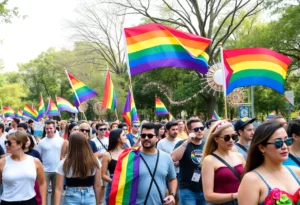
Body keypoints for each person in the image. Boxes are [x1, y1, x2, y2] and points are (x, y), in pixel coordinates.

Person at [110, 122, 177, 205]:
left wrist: (172, 195)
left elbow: (172, 179)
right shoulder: (129, 157)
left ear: (157, 137)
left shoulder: (166, 157)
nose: (146, 138)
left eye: (150, 136)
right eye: (143, 135)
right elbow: (120, 184)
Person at [238, 122, 300, 205]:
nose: (285, 146)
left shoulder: (297, 171)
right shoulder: (251, 180)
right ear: (262, 147)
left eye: (287, 141)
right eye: (278, 143)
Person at [201, 120, 245, 205]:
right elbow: (208, 196)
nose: (231, 140)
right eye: (227, 137)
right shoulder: (209, 160)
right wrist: (234, 195)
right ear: (216, 139)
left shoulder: (239, 156)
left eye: (234, 136)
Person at [54, 132, 101, 205]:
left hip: (71, 195)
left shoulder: (64, 163)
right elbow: (97, 185)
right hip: (89, 195)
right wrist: (98, 202)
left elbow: (58, 188)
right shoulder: (94, 161)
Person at [0, 131, 46, 205]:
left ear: (20, 144)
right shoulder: (2, 163)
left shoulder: (35, 161)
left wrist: (43, 203)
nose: (6, 145)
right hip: (8, 202)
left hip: (30, 201)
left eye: (9, 142)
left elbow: (42, 183)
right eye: (6, 142)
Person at [171, 117, 206, 205]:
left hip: (204, 188)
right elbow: (174, 157)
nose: (199, 131)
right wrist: (187, 141)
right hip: (187, 189)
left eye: (201, 128)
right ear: (190, 131)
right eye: (196, 129)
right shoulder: (182, 143)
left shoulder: (207, 144)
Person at [37, 120, 64, 205]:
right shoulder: (41, 142)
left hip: (58, 171)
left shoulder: (61, 140)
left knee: (56, 193)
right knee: (43, 193)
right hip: (44, 170)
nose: (48, 130)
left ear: (54, 128)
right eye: (47, 128)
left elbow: (65, 155)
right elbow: (38, 156)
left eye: (50, 128)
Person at [101, 129, 127, 205]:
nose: (126, 137)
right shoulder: (107, 155)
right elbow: (103, 175)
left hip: (127, 186)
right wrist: (115, 182)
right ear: (118, 138)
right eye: (123, 135)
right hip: (113, 186)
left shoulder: (128, 152)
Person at [92, 123, 109, 203]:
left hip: (106, 166)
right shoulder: (93, 141)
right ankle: (96, 200)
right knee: (97, 185)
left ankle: (100, 201)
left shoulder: (108, 140)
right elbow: (93, 156)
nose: (103, 131)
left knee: (104, 185)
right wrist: (104, 154)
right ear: (96, 130)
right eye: (101, 129)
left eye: (105, 129)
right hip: (97, 166)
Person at [24, 133, 43, 205]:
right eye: (24, 140)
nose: (26, 142)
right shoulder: (18, 153)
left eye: (27, 140)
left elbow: (40, 166)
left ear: (31, 141)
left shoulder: (35, 152)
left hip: (34, 179)